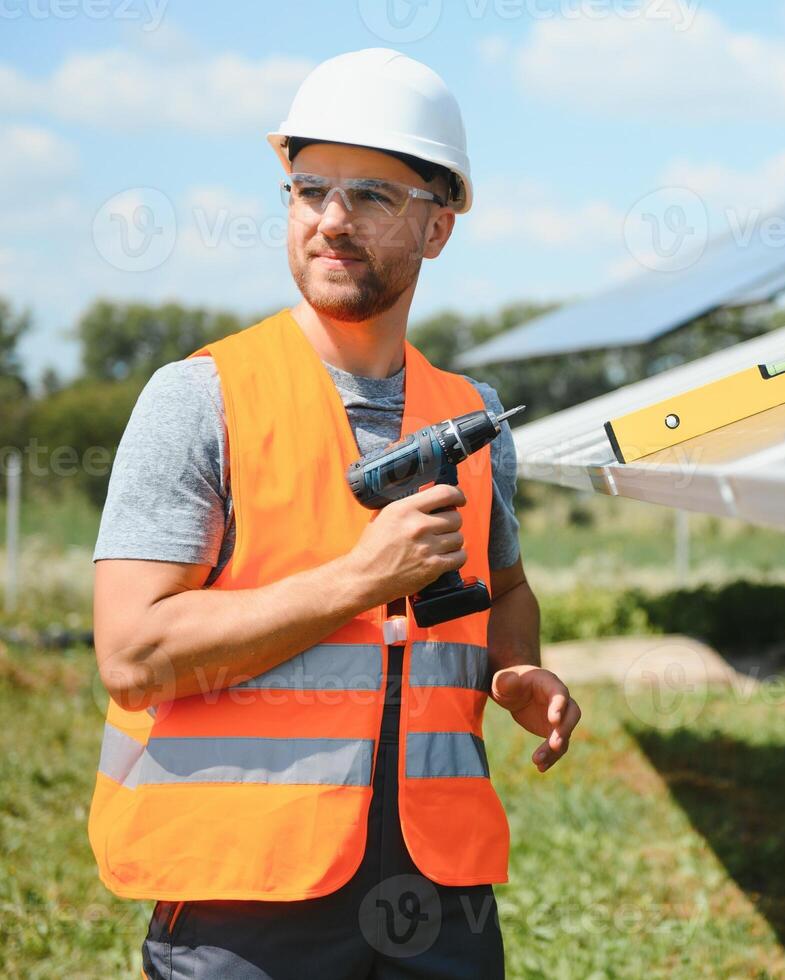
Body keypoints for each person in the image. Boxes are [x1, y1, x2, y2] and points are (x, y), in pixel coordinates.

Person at [86, 48, 579, 979]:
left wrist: (515, 668)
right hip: (246, 896)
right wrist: (361, 578)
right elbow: (131, 654)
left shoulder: (468, 415)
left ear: (438, 227)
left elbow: (505, 587)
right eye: (309, 190)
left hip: (437, 887)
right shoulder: (202, 399)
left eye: (373, 196)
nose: (332, 221)